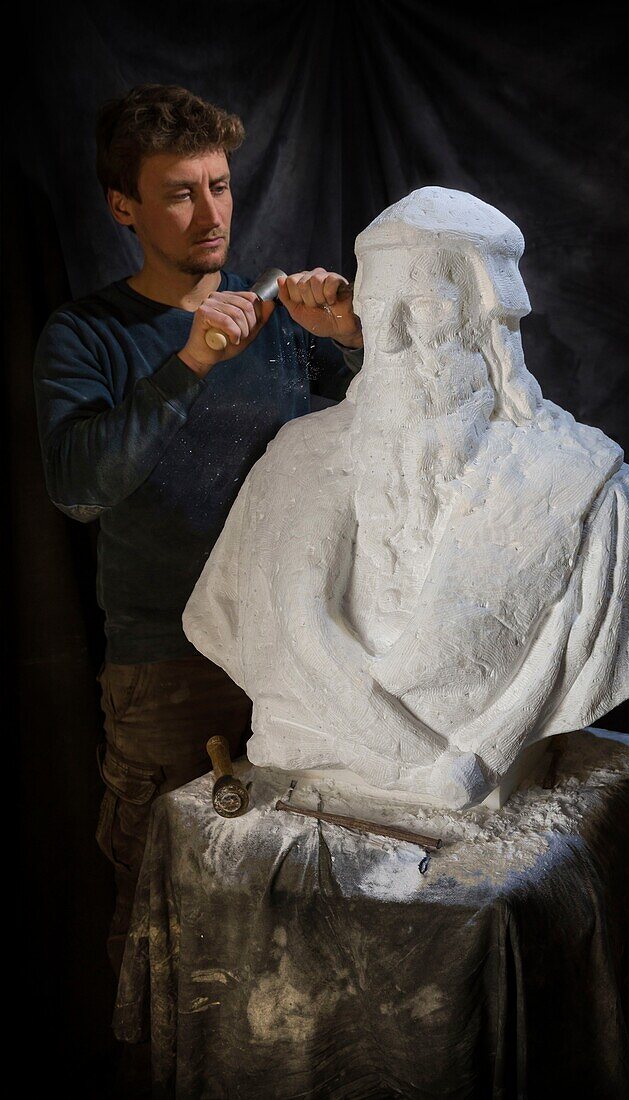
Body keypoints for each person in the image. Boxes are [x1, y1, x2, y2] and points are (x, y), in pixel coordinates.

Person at [183, 186, 629, 809]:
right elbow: (228, 619)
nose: (389, 338)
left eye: (423, 306)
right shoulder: (292, 462)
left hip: (461, 769)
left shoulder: (596, 495)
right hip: (342, 764)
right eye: (375, 305)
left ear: (486, 319)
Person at [33, 83, 364, 977]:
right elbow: (78, 490)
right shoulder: (88, 335)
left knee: (296, 926)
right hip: (167, 675)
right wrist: (185, 363)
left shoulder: (280, 329)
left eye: (218, 185)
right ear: (123, 207)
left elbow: (383, 455)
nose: (209, 213)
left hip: (299, 658)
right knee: (169, 929)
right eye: (179, 192)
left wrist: (357, 345)